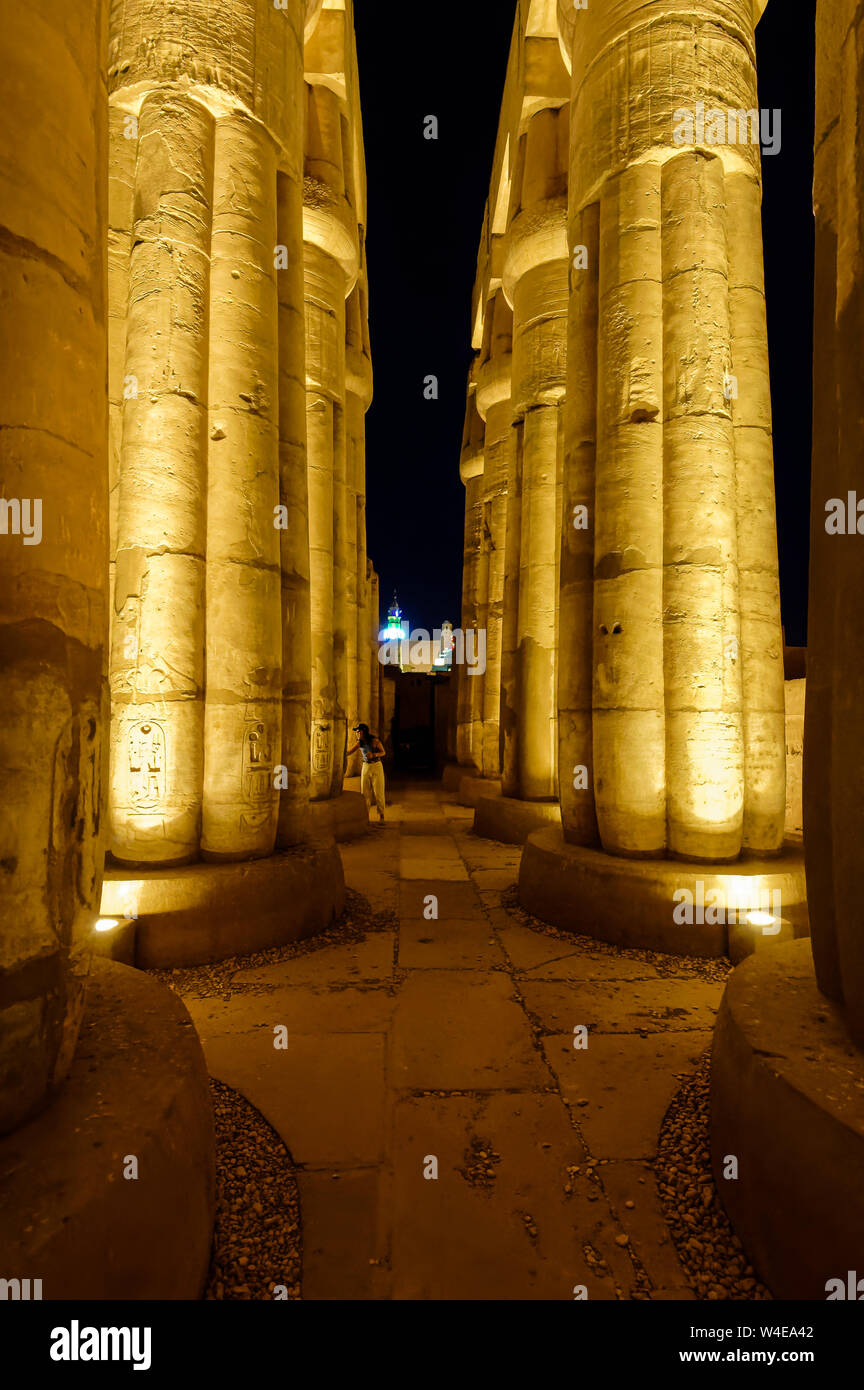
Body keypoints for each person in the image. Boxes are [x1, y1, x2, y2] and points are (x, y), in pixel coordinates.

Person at [348, 723, 387, 825]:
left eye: (358, 731)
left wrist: (374, 754)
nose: (357, 734)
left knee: (378, 791)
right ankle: (366, 816)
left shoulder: (375, 741)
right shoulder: (359, 743)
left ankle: (381, 814)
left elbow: (383, 752)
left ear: (363, 732)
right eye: (356, 732)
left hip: (376, 766)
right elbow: (350, 751)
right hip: (366, 766)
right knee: (365, 792)